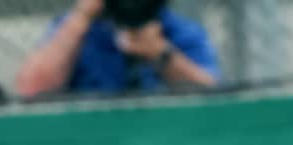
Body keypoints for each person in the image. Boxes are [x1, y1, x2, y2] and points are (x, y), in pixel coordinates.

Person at [14, 0, 220, 97]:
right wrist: (82, 16)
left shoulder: (178, 31)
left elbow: (214, 97)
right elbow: (31, 88)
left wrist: (162, 54)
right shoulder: (78, 29)